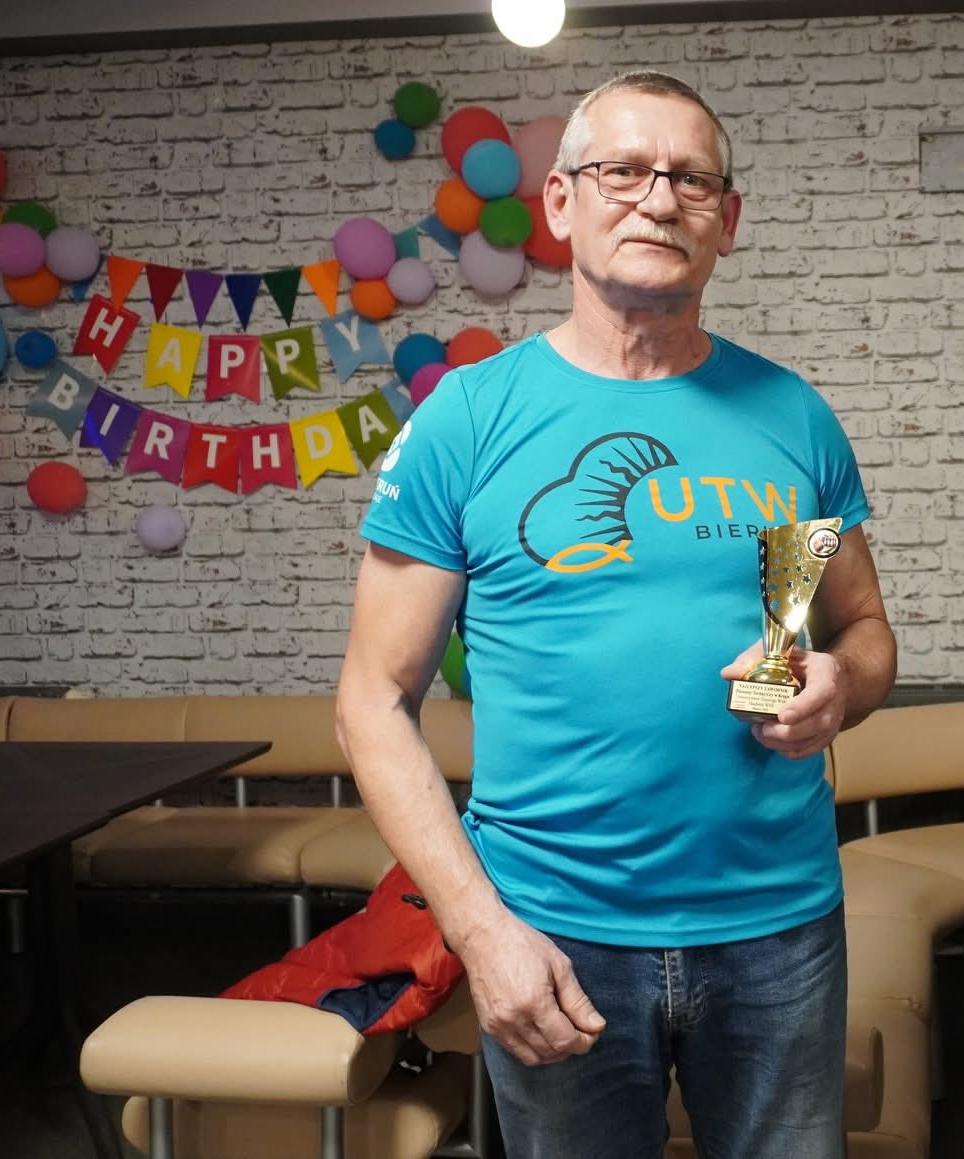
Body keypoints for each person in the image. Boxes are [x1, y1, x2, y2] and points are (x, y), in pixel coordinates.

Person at [335, 70, 895, 1159]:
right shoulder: (468, 419)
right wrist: (480, 930)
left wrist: (840, 682)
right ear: (561, 202)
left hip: (779, 927)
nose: (658, 198)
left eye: (691, 179)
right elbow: (371, 701)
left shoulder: (791, 416)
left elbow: (860, 629)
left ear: (727, 219)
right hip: (551, 929)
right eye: (623, 170)